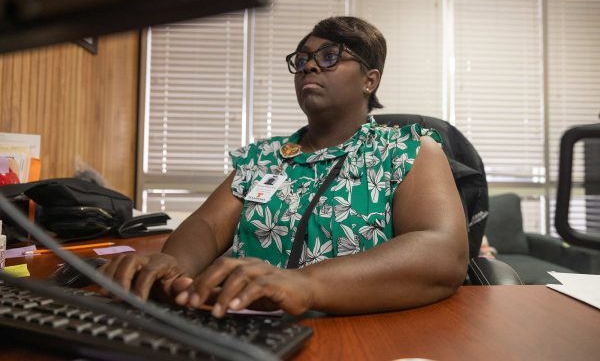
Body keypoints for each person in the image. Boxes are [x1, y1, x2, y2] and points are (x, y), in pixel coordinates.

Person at [100, 16, 468, 318]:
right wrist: (171, 265)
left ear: (369, 80)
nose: (308, 64)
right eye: (302, 58)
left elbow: (441, 251)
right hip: (243, 326)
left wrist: (306, 286)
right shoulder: (265, 157)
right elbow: (207, 226)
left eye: (329, 56)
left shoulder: (407, 149)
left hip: (357, 330)